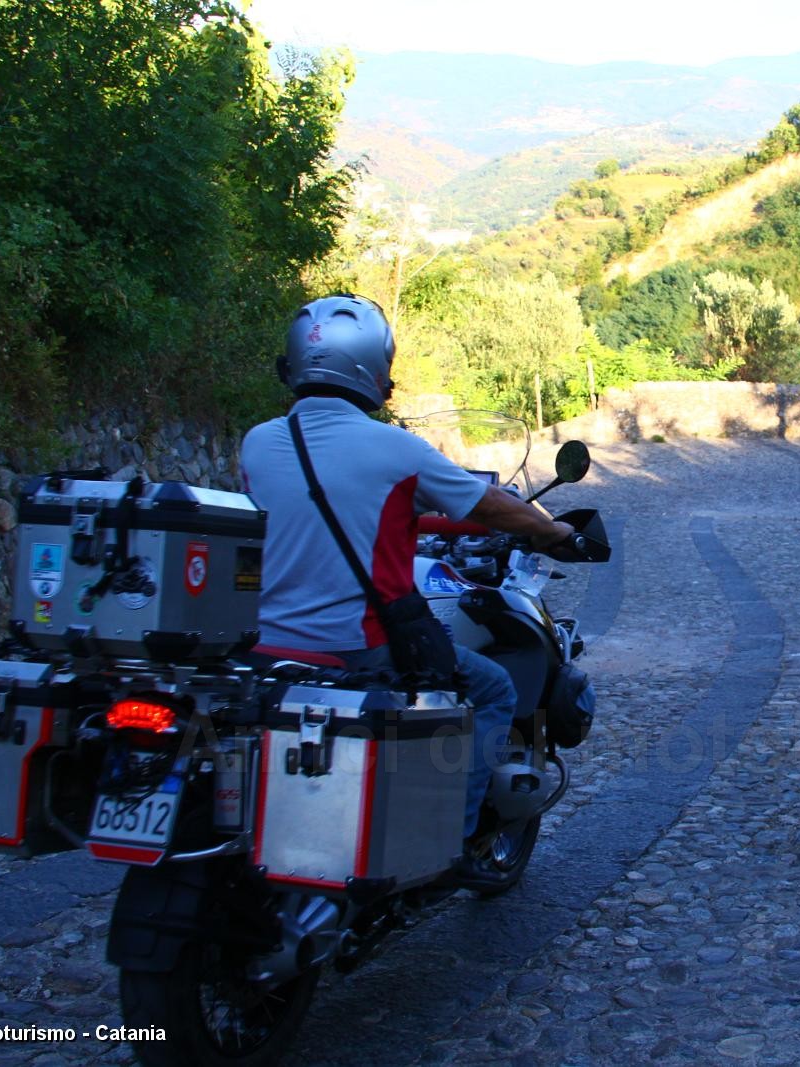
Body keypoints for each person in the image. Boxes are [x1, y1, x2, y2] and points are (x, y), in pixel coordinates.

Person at [239, 293, 573, 875]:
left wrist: (424, 518)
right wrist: (553, 532)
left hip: (264, 646)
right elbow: (492, 506)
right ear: (377, 371)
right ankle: (458, 837)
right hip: (357, 645)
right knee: (492, 689)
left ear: (291, 364)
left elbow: (338, 508)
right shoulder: (395, 448)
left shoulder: (258, 442)